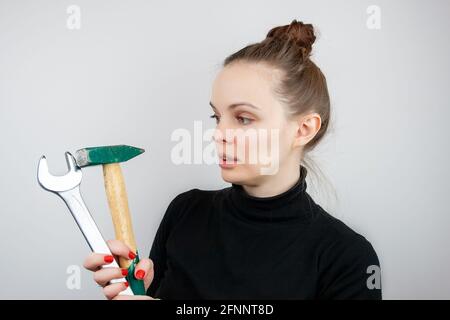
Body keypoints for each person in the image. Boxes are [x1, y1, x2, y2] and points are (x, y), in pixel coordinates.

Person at [83, 19, 382, 300]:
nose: (218, 134)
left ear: (303, 129)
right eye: (217, 116)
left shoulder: (348, 259)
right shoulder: (185, 212)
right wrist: (139, 291)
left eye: (243, 118)